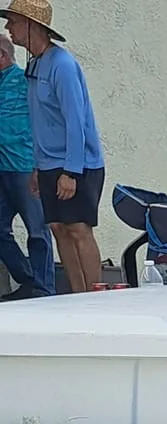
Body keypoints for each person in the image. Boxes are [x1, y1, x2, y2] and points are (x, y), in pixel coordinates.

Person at [1, 1, 103, 294]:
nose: (9, 28)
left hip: (77, 163)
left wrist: (71, 171)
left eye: (13, 22)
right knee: (59, 228)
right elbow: (38, 121)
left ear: (32, 25)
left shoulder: (63, 65)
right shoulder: (35, 65)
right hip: (47, 164)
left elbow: (75, 120)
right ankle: (76, 294)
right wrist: (37, 166)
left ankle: (96, 297)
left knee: (78, 229)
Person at [0, 29, 51, 298]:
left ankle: (44, 289)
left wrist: (39, 166)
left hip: (23, 166)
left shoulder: (23, 81)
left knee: (37, 231)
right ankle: (28, 279)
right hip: (2, 169)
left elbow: (39, 121)